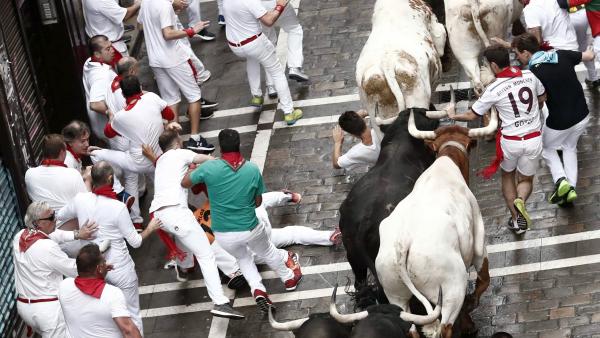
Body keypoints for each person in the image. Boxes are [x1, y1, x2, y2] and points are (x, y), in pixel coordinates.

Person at [181, 129, 302, 312]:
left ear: (221, 147)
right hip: (250, 227)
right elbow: (258, 202)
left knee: (243, 258)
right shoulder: (252, 169)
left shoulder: (208, 168)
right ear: (239, 145)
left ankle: (258, 289)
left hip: (223, 233)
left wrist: (193, 168)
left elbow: (185, 183)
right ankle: (288, 278)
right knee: (268, 252)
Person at [448, 45, 546, 234]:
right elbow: (542, 97)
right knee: (526, 179)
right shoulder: (530, 76)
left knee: (508, 175)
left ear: (493, 65)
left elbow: (471, 115)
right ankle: (521, 202)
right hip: (533, 138)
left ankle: (517, 221)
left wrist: (453, 115)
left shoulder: (493, 89)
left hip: (510, 141)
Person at [150, 130, 244, 319]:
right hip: (176, 212)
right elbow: (205, 159)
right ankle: (220, 302)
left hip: (160, 215)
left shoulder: (160, 161)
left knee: (186, 237)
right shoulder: (179, 153)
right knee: (206, 254)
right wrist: (218, 160)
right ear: (177, 143)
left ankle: (183, 267)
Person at [58, 162, 162, 333]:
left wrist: (78, 233)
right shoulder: (118, 207)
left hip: (92, 271)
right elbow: (135, 241)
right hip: (120, 269)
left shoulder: (80, 200)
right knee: (132, 314)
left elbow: (59, 217)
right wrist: (150, 228)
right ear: (110, 179)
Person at [185, 190, 342, 289]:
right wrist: (288, 196)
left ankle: (235, 271)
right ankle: (327, 236)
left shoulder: (190, 231)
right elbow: (264, 199)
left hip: (242, 250)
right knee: (291, 232)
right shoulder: (211, 202)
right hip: (256, 231)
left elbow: (196, 261)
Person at [513, 33, 593, 206]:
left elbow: (540, 102)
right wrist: (590, 47)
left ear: (526, 53)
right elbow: (589, 56)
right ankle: (569, 188)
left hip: (561, 122)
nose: (517, 58)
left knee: (547, 147)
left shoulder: (532, 73)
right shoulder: (561, 54)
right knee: (569, 147)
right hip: (582, 115)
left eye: (517, 54)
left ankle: (560, 180)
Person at [137, 0, 216, 151]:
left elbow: (140, 25)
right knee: (194, 95)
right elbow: (168, 33)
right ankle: (195, 138)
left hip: (156, 60)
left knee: (171, 99)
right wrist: (192, 30)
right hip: (174, 58)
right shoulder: (164, 5)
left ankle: (175, 143)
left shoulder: (146, 3)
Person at [13, 201, 96, 338]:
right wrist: (96, 261)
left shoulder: (20, 236)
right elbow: (75, 270)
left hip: (25, 308)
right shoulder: (48, 248)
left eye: (54, 214)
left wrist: (77, 234)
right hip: (48, 311)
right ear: (37, 223)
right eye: (51, 217)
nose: (55, 219)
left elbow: (53, 235)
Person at [223, 0, 303, 125]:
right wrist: (279, 6)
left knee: (252, 58)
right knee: (277, 72)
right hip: (253, 43)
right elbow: (269, 21)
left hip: (235, 45)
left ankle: (256, 95)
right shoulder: (250, 2)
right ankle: (289, 112)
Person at [93, 75, 179, 178]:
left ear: (123, 94)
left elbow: (108, 133)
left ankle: (93, 152)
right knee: (159, 181)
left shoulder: (121, 116)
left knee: (98, 153)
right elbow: (170, 115)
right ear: (140, 87)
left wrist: (111, 116)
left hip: (139, 162)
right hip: (158, 155)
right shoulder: (152, 97)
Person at [59, 244, 142, 338]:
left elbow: (83, 273)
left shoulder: (64, 286)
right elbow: (128, 330)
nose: (106, 262)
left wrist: (100, 270)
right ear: (99, 268)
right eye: (104, 261)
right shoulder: (112, 294)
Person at [25, 134, 89, 230]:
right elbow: (87, 204)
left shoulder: (30, 174)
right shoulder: (72, 174)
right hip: (73, 234)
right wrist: (88, 179)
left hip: (45, 232)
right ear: (62, 152)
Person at [261, 0, 309, 97]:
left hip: (259, 7)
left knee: (268, 43)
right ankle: (294, 67)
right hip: (277, 3)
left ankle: (271, 85)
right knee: (294, 29)